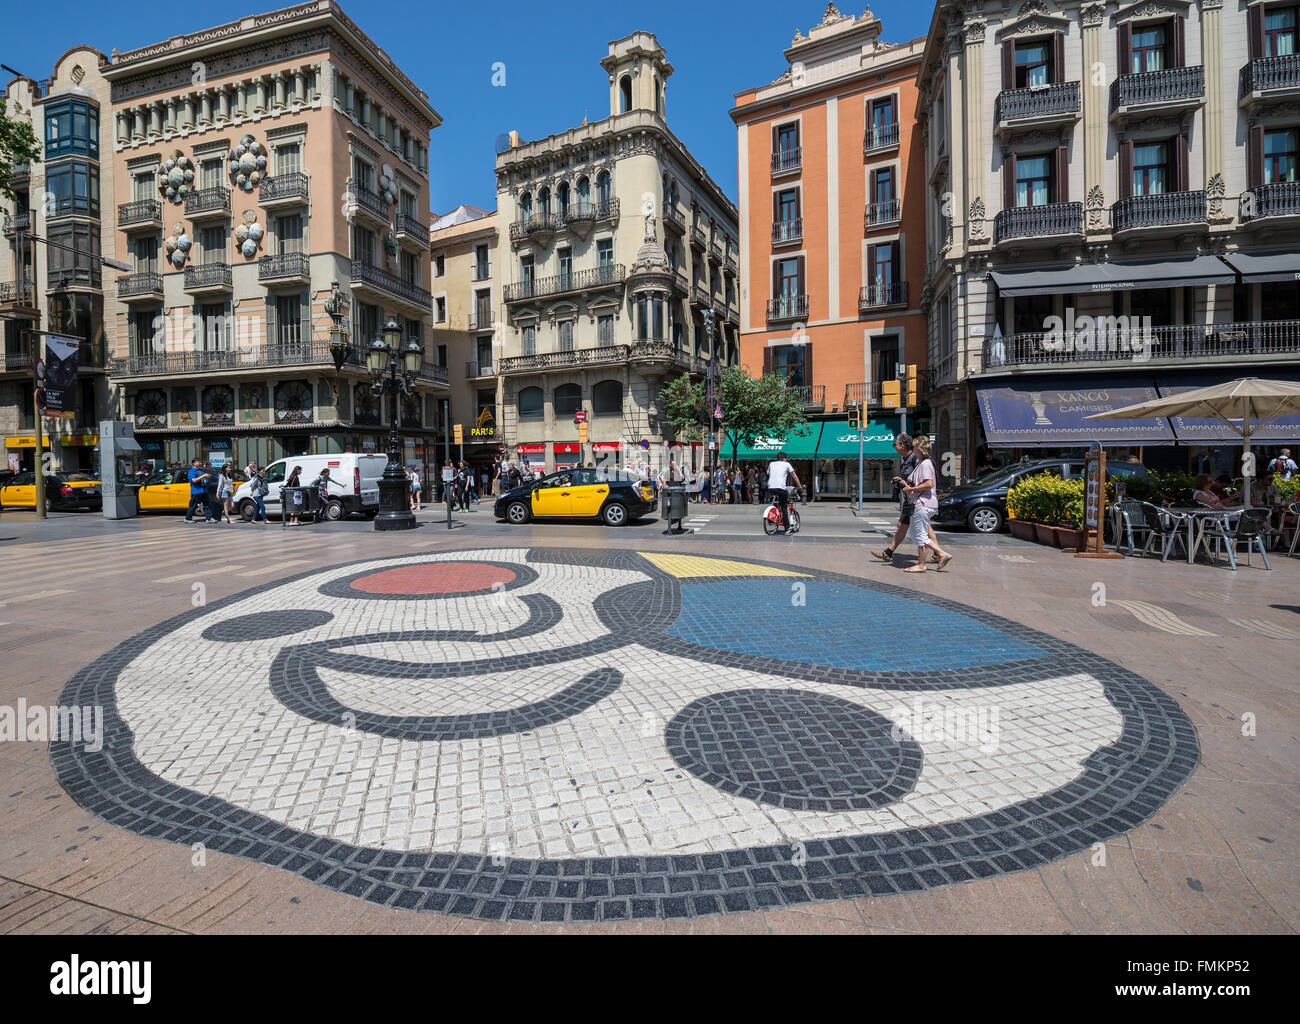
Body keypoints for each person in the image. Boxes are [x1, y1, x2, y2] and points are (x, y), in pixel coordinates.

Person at [873, 434, 939, 564]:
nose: (894, 447)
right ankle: (889, 552)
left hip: (918, 500)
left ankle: (935, 556)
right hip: (913, 499)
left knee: (917, 529)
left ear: (903, 445)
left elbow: (924, 481)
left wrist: (910, 488)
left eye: (895, 444)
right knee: (908, 526)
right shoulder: (907, 459)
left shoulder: (917, 460)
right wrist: (900, 482)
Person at [894, 435, 952, 573]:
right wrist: (903, 483)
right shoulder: (922, 463)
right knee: (917, 534)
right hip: (922, 503)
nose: (913, 450)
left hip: (923, 504)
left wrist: (911, 489)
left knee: (919, 535)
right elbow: (920, 482)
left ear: (919, 449)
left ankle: (927, 561)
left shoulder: (925, 463)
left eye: (914, 447)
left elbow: (929, 483)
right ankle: (932, 558)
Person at [765, 451, 801, 533]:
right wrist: (799, 486)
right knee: (784, 506)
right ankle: (787, 528)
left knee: (776, 501)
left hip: (770, 488)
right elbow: (794, 476)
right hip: (781, 488)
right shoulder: (787, 464)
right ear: (784, 459)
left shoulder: (771, 464)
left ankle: (773, 517)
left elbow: (768, 473)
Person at [185, 457, 215, 523]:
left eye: (200, 462)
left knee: (207, 504)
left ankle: (209, 518)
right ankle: (188, 518)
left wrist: (207, 478)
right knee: (193, 505)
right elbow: (194, 480)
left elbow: (204, 479)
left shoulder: (201, 470)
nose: (200, 463)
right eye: (198, 462)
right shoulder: (192, 471)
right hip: (196, 491)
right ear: (193, 463)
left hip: (204, 490)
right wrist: (203, 476)